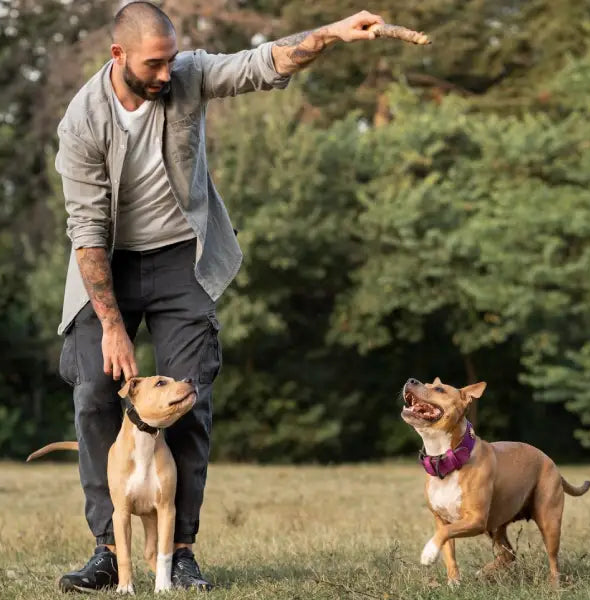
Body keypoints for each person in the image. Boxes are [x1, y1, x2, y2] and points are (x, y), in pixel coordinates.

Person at [53, 0, 385, 592]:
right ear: (118, 55)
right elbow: (87, 231)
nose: (165, 75)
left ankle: (179, 552)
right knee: (96, 395)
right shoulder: (82, 122)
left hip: (183, 258)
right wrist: (111, 326)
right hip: (108, 266)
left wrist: (332, 33)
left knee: (189, 397)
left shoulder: (187, 75)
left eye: (170, 61)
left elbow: (262, 63)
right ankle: (109, 548)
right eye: (153, 64)